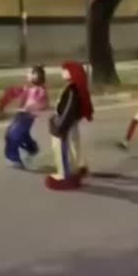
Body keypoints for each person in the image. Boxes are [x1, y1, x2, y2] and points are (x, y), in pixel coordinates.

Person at [45, 61, 93, 190]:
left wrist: (60, 126)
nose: (62, 72)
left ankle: (64, 176)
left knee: (61, 149)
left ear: (72, 73)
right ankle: (75, 169)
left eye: (65, 70)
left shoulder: (72, 90)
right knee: (73, 146)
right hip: (70, 124)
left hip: (64, 125)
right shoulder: (74, 88)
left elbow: (68, 111)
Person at [0, 66, 49, 167]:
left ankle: (14, 158)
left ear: (36, 75)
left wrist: (29, 108)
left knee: (13, 135)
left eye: (29, 73)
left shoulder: (40, 90)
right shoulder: (28, 89)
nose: (27, 75)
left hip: (27, 116)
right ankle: (31, 148)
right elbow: (14, 92)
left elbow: (42, 103)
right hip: (21, 115)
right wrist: (4, 100)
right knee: (19, 135)